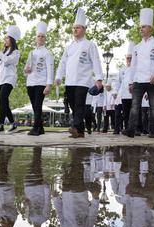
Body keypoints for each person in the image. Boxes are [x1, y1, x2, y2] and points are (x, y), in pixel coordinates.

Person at [55, 8, 104, 138]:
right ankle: (80, 131)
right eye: (74, 28)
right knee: (72, 105)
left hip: (83, 81)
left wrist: (99, 79)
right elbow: (62, 63)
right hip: (70, 81)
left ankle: (75, 126)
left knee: (79, 104)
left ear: (84, 29)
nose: (75, 30)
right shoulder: (69, 47)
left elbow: (96, 62)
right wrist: (59, 76)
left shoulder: (90, 45)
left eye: (78, 27)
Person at [122, 8, 154, 138]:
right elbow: (133, 66)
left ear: (150, 28)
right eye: (140, 27)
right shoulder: (137, 47)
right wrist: (131, 82)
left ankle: (152, 131)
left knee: (153, 107)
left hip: (153, 80)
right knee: (135, 106)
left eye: (144, 27)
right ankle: (131, 129)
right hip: (138, 80)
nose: (141, 29)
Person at [0, 25, 21, 134]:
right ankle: (13, 124)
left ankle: (1, 125)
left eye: (7, 38)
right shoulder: (3, 52)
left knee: (2, 99)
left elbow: (7, 60)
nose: (5, 40)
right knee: (4, 102)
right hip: (1, 79)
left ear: (12, 40)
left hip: (9, 78)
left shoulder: (16, 53)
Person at [24, 22, 54, 136]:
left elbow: (50, 69)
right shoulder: (31, 52)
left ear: (45, 39)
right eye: (39, 36)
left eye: (43, 36)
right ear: (36, 38)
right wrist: (26, 70)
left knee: (38, 105)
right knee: (34, 106)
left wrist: (49, 84)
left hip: (41, 82)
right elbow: (26, 69)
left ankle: (35, 128)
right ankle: (40, 128)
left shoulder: (47, 53)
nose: (40, 38)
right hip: (30, 82)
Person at [118, 44, 134, 131]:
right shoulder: (122, 70)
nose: (129, 60)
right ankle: (127, 128)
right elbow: (119, 82)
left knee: (134, 113)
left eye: (130, 58)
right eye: (127, 58)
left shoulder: (136, 68)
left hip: (134, 95)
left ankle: (135, 129)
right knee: (126, 113)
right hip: (124, 95)